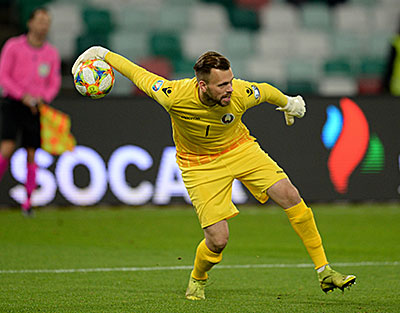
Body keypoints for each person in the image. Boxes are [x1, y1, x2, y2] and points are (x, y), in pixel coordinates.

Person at [71, 47, 356, 300]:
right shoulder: (173, 95)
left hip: (240, 148)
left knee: (289, 194)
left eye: (230, 81)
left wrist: (288, 103)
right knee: (218, 240)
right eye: (222, 85)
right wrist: (101, 52)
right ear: (202, 85)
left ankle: (324, 270)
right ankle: (198, 278)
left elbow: (265, 90)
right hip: (198, 164)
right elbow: (137, 74)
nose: (230, 89)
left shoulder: (239, 94)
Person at [0, 7, 61, 216]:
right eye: (40, 21)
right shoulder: (13, 46)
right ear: (30, 23)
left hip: (36, 108)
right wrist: (22, 95)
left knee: (32, 153)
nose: (44, 25)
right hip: (14, 103)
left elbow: (54, 82)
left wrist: (44, 97)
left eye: (47, 21)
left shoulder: (51, 53)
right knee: (6, 148)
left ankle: (28, 202)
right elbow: (4, 76)